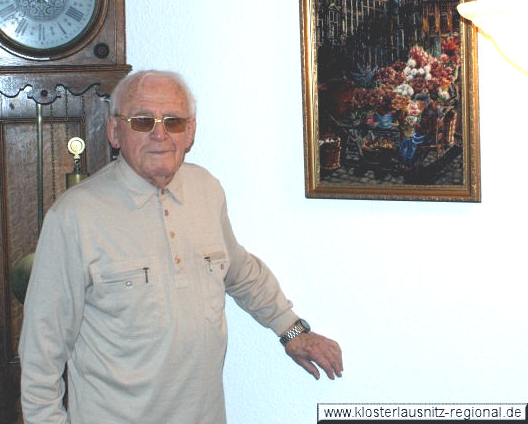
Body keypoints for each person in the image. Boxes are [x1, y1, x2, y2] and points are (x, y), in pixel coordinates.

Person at [19, 70, 342, 423]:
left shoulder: (207, 190)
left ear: (190, 132)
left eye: (173, 121)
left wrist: (292, 332)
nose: (160, 134)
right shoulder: (74, 216)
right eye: (142, 121)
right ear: (114, 131)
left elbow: (240, 272)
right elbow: (41, 349)